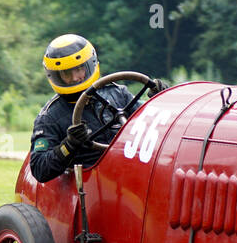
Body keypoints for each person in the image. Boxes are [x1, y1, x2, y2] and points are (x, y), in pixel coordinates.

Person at [28, 34, 164, 183]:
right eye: (66, 73)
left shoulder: (118, 93)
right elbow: (39, 169)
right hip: (91, 186)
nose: (74, 78)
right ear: (55, 76)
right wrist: (69, 144)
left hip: (132, 172)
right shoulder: (49, 117)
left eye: (79, 69)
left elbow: (153, 124)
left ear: (90, 64)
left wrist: (160, 99)